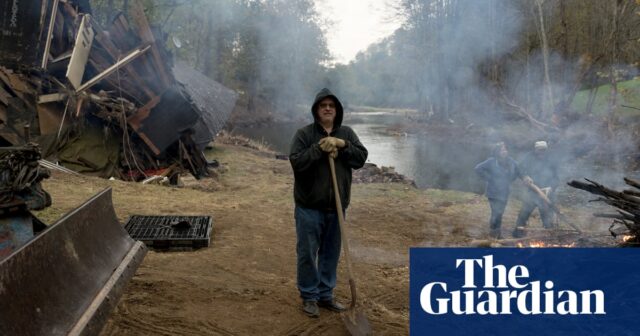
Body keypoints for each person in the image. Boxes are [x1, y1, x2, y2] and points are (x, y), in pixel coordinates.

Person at [289, 88, 368, 318]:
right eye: (322, 105)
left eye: (331, 105)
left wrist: (342, 146)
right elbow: (296, 163)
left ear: (337, 110)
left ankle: (325, 295)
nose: (327, 108)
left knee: (330, 254)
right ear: (316, 110)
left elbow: (361, 158)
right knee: (307, 253)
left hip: (336, 207)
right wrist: (318, 149)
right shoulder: (304, 135)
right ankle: (309, 296)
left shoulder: (347, 133)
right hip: (309, 207)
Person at [474, 142, 529, 239]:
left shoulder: (511, 161)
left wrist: (524, 177)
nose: (505, 152)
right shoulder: (491, 161)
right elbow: (478, 168)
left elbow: (519, 170)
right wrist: (489, 178)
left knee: (500, 213)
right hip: (493, 192)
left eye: (505, 150)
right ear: (497, 152)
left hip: (504, 192)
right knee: (496, 213)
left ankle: (495, 232)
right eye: (502, 150)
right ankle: (495, 234)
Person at [513, 141, 560, 237]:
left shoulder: (551, 159)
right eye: (540, 150)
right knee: (524, 213)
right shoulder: (529, 157)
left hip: (547, 193)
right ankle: (518, 233)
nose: (542, 152)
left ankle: (549, 236)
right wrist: (525, 176)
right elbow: (519, 169)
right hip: (533, 191)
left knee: (547, 216)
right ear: (535, 149)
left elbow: (556, 178)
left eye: (544, 150)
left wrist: (551, 187)